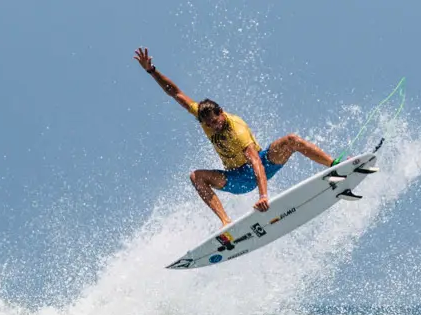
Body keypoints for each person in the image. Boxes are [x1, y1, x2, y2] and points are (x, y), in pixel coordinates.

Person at [134, 48, 337, 226]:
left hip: (263, 164)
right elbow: (175, 92)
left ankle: (333, 165)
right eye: (208, 124)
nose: (213, 126)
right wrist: (151, 71)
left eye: (215, 121)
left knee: (291, 140)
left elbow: (256, 162)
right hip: (237, 178)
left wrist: (263, 196)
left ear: (221, 113)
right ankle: (225, 222)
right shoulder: (201, 114)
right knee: (196, 176)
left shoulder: (236, 129)